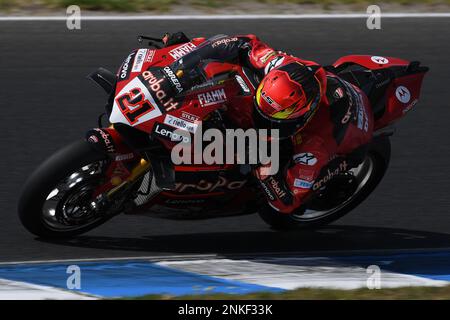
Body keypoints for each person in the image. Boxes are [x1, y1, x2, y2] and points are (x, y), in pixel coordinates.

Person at [162, 32, 373, 214]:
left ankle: (340, 169)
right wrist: (189, 56)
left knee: (302, 189)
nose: (261, 118)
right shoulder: (277, 65)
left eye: (270, 118)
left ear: (301, 116)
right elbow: (239, 43)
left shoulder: (316, 144)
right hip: (323, 87)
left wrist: (261, 164)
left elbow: (288, 200)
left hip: (348, 136)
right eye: (261, 109)